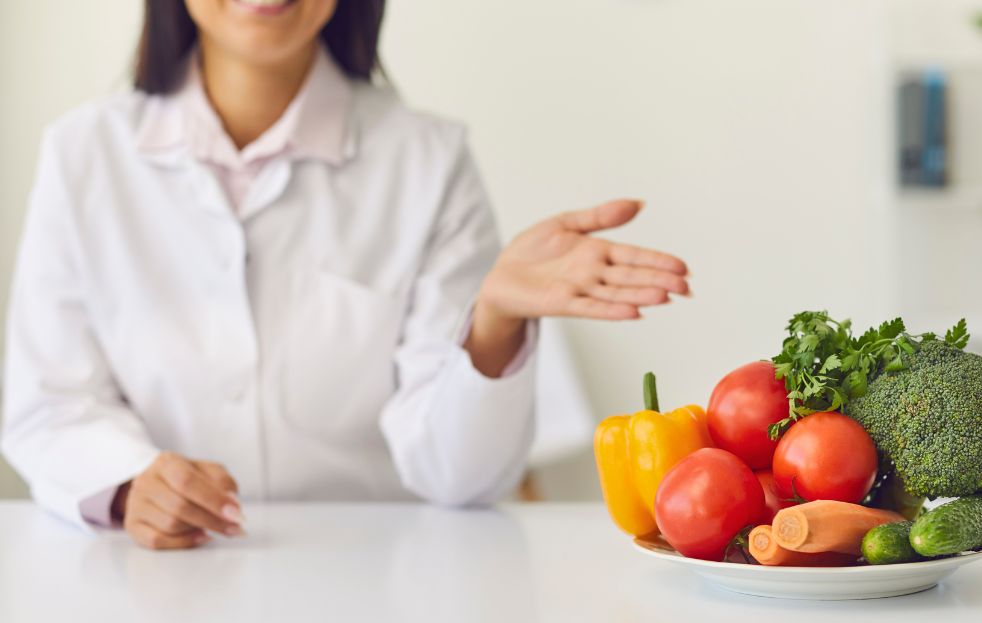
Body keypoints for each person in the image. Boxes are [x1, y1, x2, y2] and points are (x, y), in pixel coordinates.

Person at [1, 0, 689, 550]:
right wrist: (128, 483)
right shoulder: (83, 155)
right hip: (150, 588)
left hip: (378, 587)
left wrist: (494, 325)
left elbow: (462, 477)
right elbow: (47, 404)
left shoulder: (428, 161)